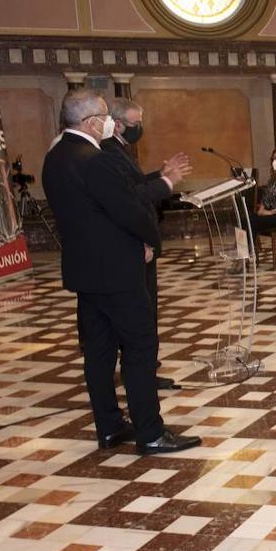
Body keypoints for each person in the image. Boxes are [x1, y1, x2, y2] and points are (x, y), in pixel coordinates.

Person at [41, 88, 200, 456]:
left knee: (98, 351)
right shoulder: (93, 159)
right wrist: (147, 241)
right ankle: (151, 432)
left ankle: (110, 426)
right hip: (117, 271)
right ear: (93, 122)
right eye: (103, 116)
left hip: (85, 272)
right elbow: (126, 208)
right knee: (140, 347)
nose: (108, 123)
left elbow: (94, 212)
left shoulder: (56, 156)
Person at [102, 97, 190, 391]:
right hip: (132, 246)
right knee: (141, 314)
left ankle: (146, 371)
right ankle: (141, 374)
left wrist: (161, 176)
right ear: (116, 123)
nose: (138, 128)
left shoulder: (120, 149)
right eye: (134, 123)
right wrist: (165, 183)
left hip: (140, 245)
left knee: (148, 310)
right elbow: (130, 197)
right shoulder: (109, 152)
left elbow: (135, 184)